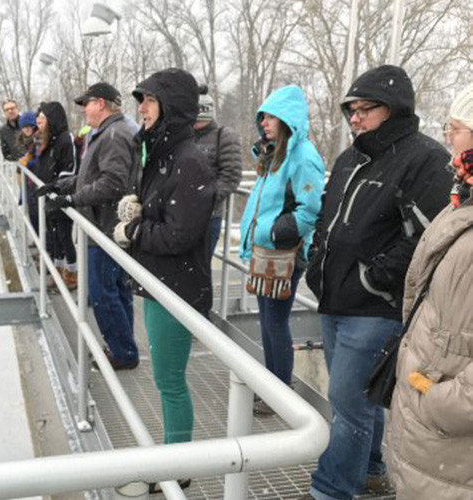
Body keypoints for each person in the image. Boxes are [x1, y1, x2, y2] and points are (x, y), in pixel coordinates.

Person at [301, 65, 451, 500]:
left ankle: (330, 490)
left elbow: (430, 236)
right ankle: (370, 470)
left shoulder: (425, 158)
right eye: (351, 109)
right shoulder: (351, 157)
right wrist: (316, 262)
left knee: (347, 407)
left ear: (394, 110)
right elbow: (327, 219)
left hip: (373, 309)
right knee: (361, 399)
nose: (355, 117)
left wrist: (375, 277)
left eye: (366, 109)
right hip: (333, 299)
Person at [113, 68, 215, 493]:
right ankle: (173, 454)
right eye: (141, 101)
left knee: (170, 381)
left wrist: (132, 231)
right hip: (160, 283)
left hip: (177, 288)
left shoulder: (189, 161)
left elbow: (179, 234)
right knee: (165, 378)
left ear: (170, 107)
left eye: (149, 101)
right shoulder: (162, 153)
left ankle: (178, 464)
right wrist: (138, 206)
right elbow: (165, 216)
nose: (141, 108)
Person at [384, 83, 473, 500]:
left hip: (451, 443)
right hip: (432, 439)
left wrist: (439, 403)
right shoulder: (462, 200)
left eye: (455, 128)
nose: (448, 138)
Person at [36, 83, 139, 369]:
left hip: (105, 228)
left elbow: (112, 183)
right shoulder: (107, 132)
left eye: (87, 103)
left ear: (102, 104)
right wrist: (60, 184)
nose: (83, 109)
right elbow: (91, 176)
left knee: (103, 292)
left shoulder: (115, 135)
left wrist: (71, 198)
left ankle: (122, 353)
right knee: (116, 290)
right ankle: (124, 347)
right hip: (104, 225)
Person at [238, 85, 325, 415]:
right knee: (267, 319)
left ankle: (279, 391)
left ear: (288, 119)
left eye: (271, 117)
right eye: (263, 117)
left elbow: (310, 209)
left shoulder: (303, 157)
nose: (264, 123)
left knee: (274, 321)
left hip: (282, 254)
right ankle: (273, 384)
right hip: (266, 251)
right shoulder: (275, 153)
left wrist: (274, 232)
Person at [193, 84, 243, 256]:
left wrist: (206, 198)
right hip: (181, 215)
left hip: (208, 216)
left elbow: (232, 175)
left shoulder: (224, 136)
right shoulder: (184, 136)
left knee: (201, 267)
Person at [33, 102, 78, 289]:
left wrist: (54, 186)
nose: (38, 122)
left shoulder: (66, 140)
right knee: (54, 236)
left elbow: (71, 170)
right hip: (49, 195)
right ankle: (58, 271)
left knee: (64, 236)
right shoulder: (48, 140)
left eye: (42, 118)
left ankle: (72, 275)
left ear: (52, 119)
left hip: (61, 195)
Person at [17, 110, 40, 232]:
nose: (26, 129)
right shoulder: (22, 142)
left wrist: (27, 163)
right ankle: (41, 245)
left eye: (29, 126)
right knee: (33, 218)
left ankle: (46, 248)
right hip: (28, 184)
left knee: (38, 218)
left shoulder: (38, 139)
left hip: (36, 183)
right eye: (24, 127)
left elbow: (40, 160)